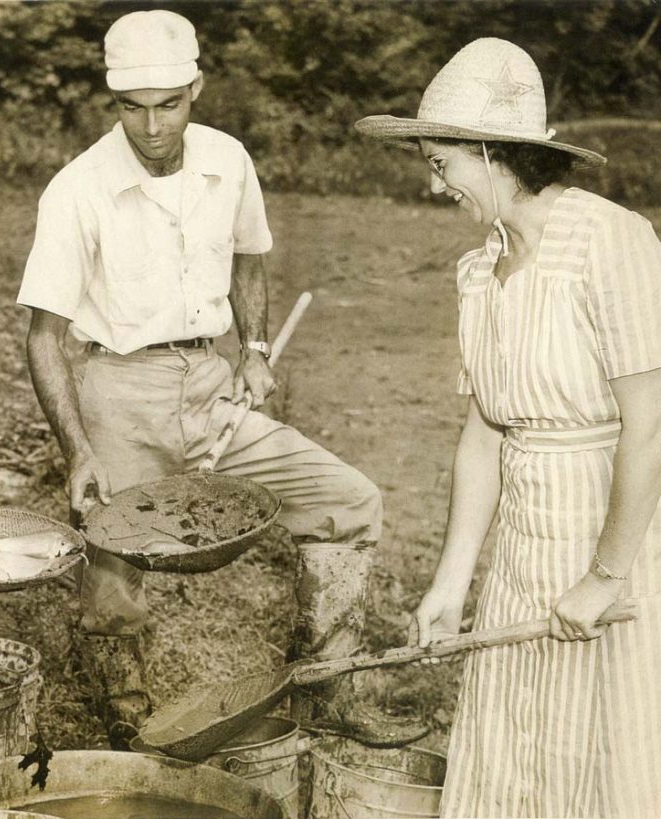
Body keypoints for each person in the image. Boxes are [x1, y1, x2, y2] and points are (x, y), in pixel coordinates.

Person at [18, 9, 426, 751]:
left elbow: (247, 257)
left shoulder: (228, 161)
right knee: (111, 582)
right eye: (132, 107)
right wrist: (80, 450)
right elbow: (43, 336)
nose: (150, 126)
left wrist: (257, 348)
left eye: (168, 104)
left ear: (196, 87)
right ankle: (130, 738)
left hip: (212, 388)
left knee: (349, 500)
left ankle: (326, 690)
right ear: (112, 100)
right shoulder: (76, 189)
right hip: (120, 393)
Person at [357, 37, 661, 817]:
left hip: (618, 533)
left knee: (606, 749)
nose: (436, 187)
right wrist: (453, 582)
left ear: (491, 151)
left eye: (441, 165)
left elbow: (651, 425)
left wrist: (604, 575)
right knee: (517, 741)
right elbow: (486, 434)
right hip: (526, 544)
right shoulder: (478, 272)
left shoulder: (611, 241)